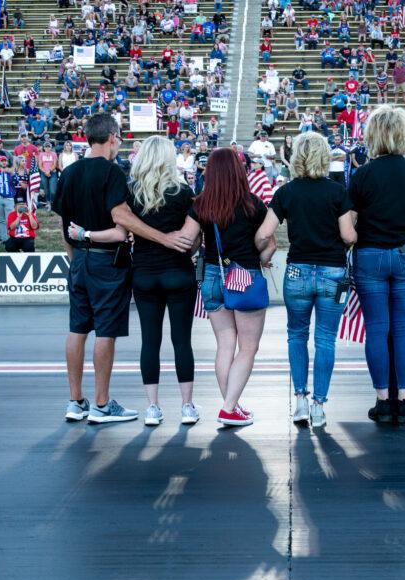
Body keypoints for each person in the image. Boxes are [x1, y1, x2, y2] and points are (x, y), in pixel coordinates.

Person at [68, 135, 201, 427]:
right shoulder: (183, 192)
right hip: (178, 273)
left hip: (143, 274)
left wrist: (84, 235)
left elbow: (121, 230)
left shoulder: (130, 194)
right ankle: (187, 406)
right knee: (182, 341)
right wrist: (183, 247)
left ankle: (152, 407)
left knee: (150, 342)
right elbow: (191, 242)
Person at [254, 131, 356, 427]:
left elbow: (263, 232)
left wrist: (264, 256)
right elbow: (348, 236)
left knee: (296, 335)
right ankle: (319, 407)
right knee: (326, 339)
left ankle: (299, 401)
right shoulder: (338, 192)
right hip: (334, 274)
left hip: (297, 271)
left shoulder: (286, 192)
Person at [347, 104, 405, 424]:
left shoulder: (362, 174)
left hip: (370, 255)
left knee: (376, 328)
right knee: (404, 328)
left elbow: (351, 224)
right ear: (403, 134)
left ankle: (383, 400)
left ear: (372, 135)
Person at [180, 148, 270, 427]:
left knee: (225, 345)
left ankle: (231, 406)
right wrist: (263, 261)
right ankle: (229, 407)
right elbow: (268, 245)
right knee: (248, 348)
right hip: (244, 276)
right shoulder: (253, 204)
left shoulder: (201, 204)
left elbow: (187, 240)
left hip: (211, 275)